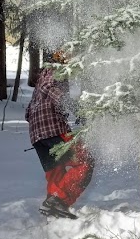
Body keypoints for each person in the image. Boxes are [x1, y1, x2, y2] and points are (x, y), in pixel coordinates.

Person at [25, 51, 93, 219]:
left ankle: (52, 208)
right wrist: (75, 108)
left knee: (55, 173)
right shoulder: (53, 71)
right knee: (85, 161)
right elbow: (51, 89)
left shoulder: (41, 78)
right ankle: (58, 200)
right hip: (54, 130)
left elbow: (28, 113)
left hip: (37, 136)